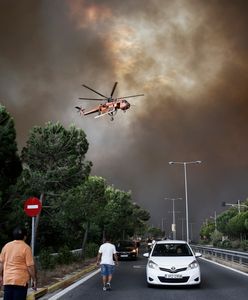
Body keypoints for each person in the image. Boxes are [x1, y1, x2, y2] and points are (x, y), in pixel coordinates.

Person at [0, 226, 37, 300]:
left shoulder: (6, 246)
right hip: (21, 281)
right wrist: (34, 279)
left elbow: (1, 263)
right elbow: (30, 266)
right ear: (25, 237)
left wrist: (0, 276)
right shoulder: (26, 248)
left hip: (7, 280)